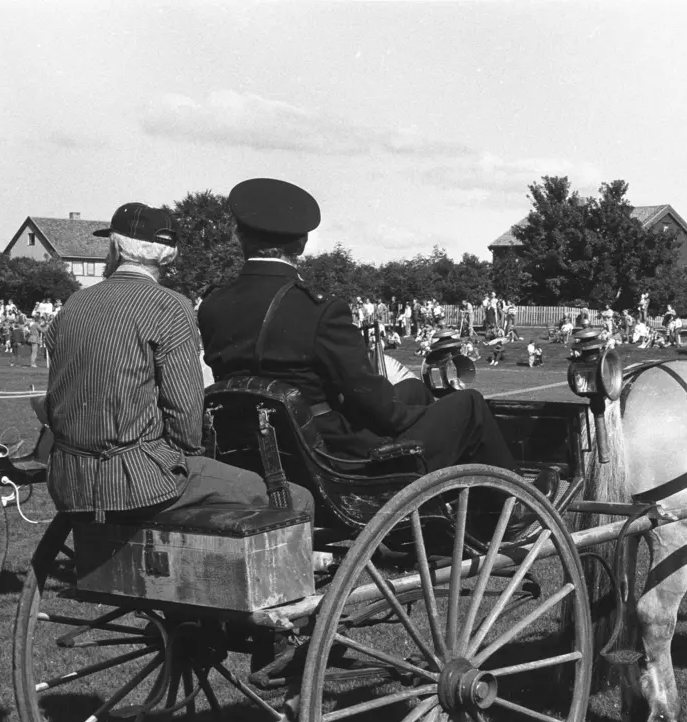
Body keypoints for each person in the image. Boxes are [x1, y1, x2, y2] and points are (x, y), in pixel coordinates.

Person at [197, 179, 555, 520]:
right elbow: (378, 410)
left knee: (414, 389)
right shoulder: (319, 309)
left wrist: (409, 404)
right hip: (336, 462)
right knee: (469, 405)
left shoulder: (213, 305)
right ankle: (511, 507)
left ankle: (445, 504)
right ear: (301, 244)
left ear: (239, 236)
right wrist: (408, 415)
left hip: (266, 449)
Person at [43, 202, 312, 524]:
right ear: (169, 254)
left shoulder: (74, 303)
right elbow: (185, 417)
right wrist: (180, 452)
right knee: (298, 498)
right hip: (139, 481)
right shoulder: (170, 305)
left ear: (115, 247)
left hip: (68, 480)